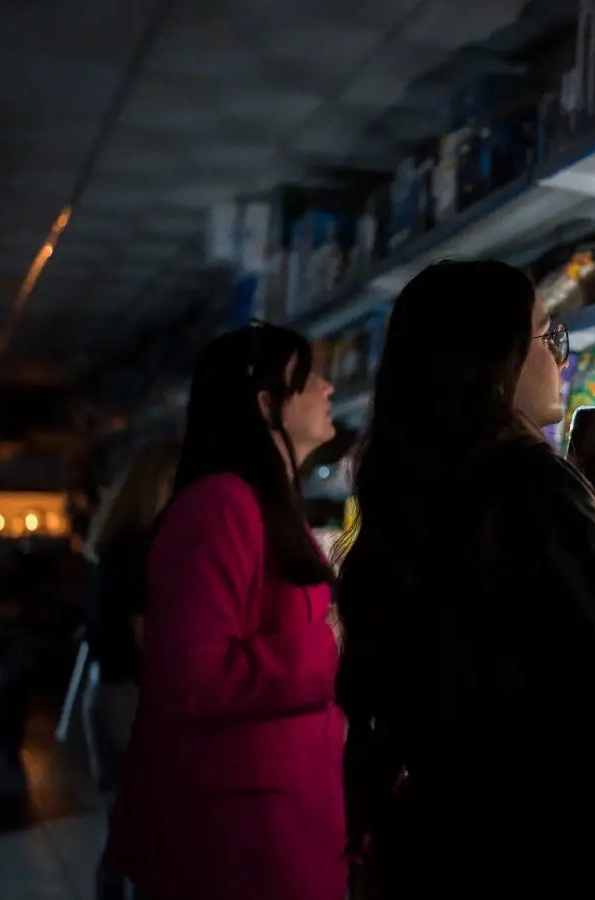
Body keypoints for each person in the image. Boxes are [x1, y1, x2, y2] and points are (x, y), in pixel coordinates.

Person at [336, 261, 595, 899]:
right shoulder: (531, 479)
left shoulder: (405, 486)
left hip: (445, 847)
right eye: (546, 336)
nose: (560, 357)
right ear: (494, 359)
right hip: (552, 850)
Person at [104, 322, 348, 900]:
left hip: (279, 811)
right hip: (240, 837)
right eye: (308, 376)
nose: (328, 388)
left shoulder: (267, 507)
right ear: (267, 405)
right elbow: (194, 677)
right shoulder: (220, 505)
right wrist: (331, 641)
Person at [87, 441, 180, 778]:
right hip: (132, 698)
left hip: (108, 692)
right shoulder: (138, 551)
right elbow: (146, 638)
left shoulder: (116, 545)